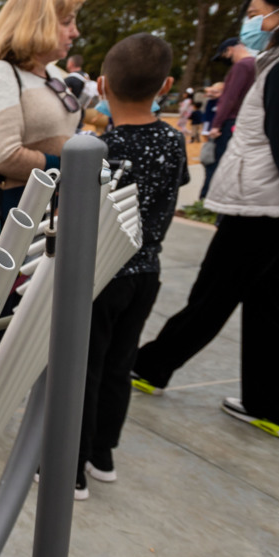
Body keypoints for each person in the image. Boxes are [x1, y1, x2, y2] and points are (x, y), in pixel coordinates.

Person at [132, 0, 279, 441]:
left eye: (257, 14)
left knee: (213, 295)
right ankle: (276, 407)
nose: (251, 23)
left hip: (263, 205)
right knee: (276, 305)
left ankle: (149, 368)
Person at [0, 0, 85, 408]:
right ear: (37, 23)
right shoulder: (1, 74)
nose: (74, 32)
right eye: (66, 22)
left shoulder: (50, 76)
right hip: (11, 210)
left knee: (22, 304)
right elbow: (3, 155)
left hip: (46, 208)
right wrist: (68, 165)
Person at [74, 33, 188, 499]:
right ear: (166, 85)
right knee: (119, 365)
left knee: (85, 369)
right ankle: (102, 454)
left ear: (101, 85)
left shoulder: (102, 149)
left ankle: (71, 467)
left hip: (104, 274)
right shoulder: (175, 141)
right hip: (147, 273)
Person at [203, 37, 256, 199]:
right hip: (246, 121)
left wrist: (216, 124)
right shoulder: (257, 64)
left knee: (215, 163)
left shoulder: (241, 66)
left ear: (230, 50)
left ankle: (208, 198)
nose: (226, 60)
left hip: (229, 122)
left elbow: (229, 97)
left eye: (224, 55)